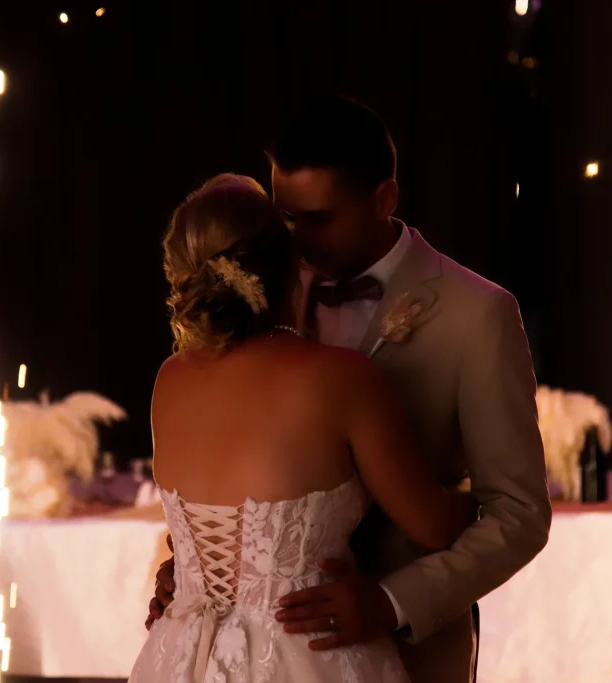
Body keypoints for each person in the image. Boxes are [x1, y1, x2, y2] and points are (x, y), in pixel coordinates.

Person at [146, 97, 552, 683]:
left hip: (408, 655)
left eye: (319, 219)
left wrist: (392, 602)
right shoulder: (250, 302)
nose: (297, 241)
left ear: (385, 199)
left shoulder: (478, 316)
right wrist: (197, 572)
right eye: (284, 219)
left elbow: (518, 515)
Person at [129, 174, 477, 683]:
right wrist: (479, 492)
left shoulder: (170, 378)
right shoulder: (340, 378)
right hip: (308, 654)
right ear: (293, 264)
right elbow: (436, 526)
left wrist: (182, 577)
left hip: (180, 658)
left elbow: (195, 541)